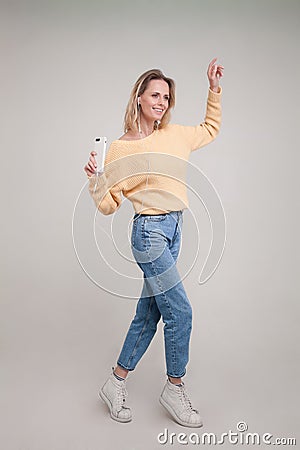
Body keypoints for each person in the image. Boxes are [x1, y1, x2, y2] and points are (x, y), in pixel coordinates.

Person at [84, 58, 224, 427]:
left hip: (176, 229)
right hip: (149, 233)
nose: (162, 101)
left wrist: (213, 89)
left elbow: (210, 128)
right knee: (181, 312)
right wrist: (96, 180)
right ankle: (174, 388)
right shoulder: (120, 149)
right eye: (156, 95)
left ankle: (115, 383)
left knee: (150, 314)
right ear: (140, 99)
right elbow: (108, 205)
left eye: (167, 96)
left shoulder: (175, 135)